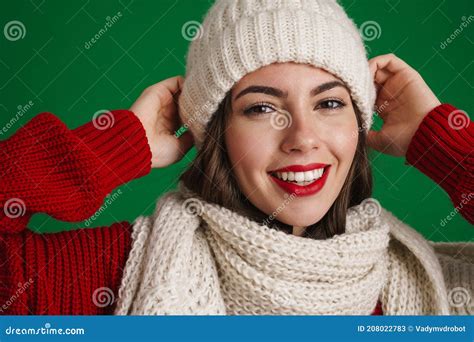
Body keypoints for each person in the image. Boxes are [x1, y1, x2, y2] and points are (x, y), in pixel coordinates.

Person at [1, 0, 472, 315]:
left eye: (329, 103)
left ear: (358, 124)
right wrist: (109, 148)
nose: (302, 138)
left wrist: (442, 141)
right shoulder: (111, 272)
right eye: (262, 108)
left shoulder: (444, 291)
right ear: (216, 135)